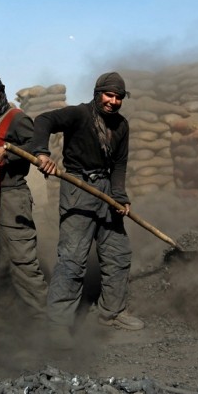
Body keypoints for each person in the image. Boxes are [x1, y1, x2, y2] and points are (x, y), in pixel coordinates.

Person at [32, 71, 144, 347]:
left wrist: (120, 196)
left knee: (119, 253)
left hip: (106, 189)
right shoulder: (79, 115)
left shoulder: (121, 126)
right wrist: (42, 152)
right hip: (78, 187)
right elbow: (43, 120)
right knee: (73, 258)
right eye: (109, 95)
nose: (113, 101)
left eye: (118, 97)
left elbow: (119, 165)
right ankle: (58, 323)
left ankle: (112, 312)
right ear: (98, 94)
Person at [0, 73, 48, 319]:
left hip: (12, 196)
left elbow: (35, 147)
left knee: (22, 258)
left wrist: (7, 153)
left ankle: (46, 319)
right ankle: (2, 313)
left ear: (1, 92)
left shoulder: (16, 119)